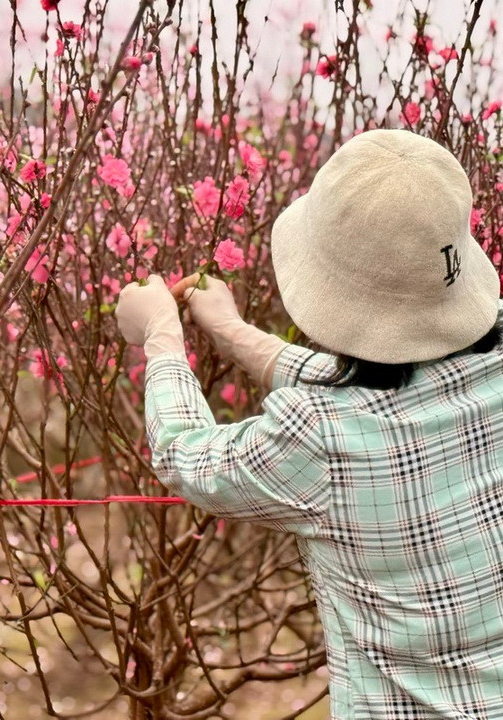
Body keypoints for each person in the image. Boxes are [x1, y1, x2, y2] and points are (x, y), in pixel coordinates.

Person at [116, 129, 503, 718]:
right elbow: (397, 389)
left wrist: (162, 337)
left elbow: (185, 454)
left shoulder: (320, 437)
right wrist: (236, 333)